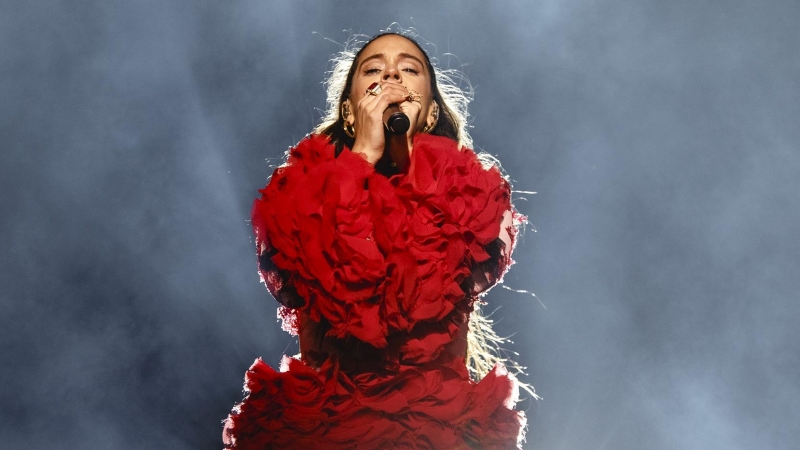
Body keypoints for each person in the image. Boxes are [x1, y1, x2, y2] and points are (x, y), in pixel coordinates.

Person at [223, 31, 531, 449]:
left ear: (431, 109)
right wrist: (362, 155)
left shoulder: (474, 195)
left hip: (438, 431)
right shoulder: (296, 194)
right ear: (350, 113)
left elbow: (412, 296)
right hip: (321, 431)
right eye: (373, 69)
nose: (391, 75)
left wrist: (409, 162)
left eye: (409, 69)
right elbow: (336, 292)